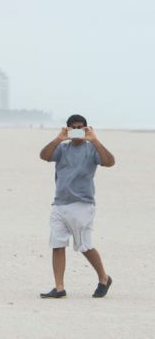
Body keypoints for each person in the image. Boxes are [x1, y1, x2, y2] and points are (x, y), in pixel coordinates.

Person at [38, 114, 116, 299]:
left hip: (82, 204)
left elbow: (109, 162)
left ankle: (104, 278)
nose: (77, 130)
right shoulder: (62, 149)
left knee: (85, 246)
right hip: (59, 203)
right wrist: (58, 138)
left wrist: (95, 140)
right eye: (73, 127)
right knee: (57, 245)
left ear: (87, 128)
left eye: (80, 127)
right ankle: (59, 288)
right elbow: (44, 156)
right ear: (68, 129)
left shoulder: (91, 149)